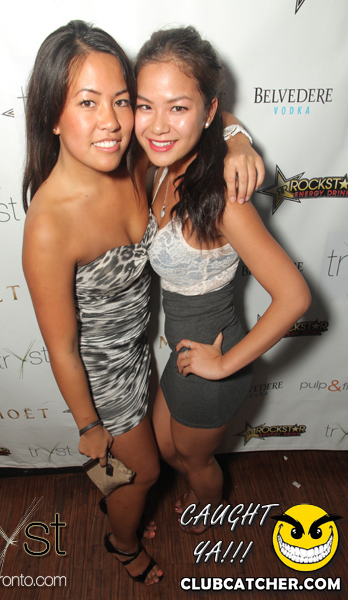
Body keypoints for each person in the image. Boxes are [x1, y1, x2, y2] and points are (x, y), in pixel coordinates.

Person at [22, 20, 263, 583]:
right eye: (87, 102)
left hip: (144, 352)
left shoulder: (133, 159)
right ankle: (121, 543)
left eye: (122, 101)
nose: (111, 121)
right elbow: (62, 348)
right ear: (52, 115)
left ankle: (119, 505)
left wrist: (238, 139)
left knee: (143, 466)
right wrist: (89, 425)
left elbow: (200, 115)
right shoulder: (49, 226)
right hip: (102, 377)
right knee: (144, 474)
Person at [133, 26, 311, 534]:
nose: (158, 124)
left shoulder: (225, 198)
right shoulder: (161, 163)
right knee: (167, 450)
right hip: (181, 350)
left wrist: (227, 364)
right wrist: (237, 136)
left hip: (214, 361)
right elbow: (217, 118)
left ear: (206, 110)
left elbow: (294, 296)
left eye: (178, 107)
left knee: (195, 461)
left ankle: (208, 517)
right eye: (146, 106)